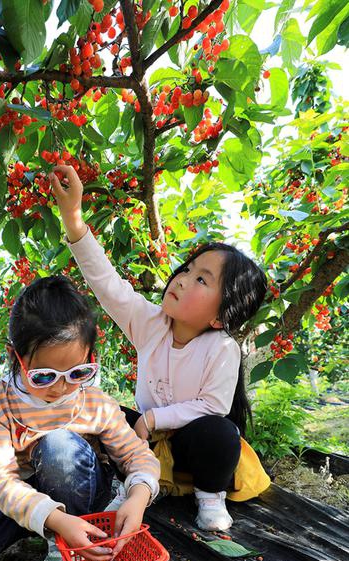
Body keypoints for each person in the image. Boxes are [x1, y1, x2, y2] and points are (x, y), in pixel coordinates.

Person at [50, 164, 269, 532]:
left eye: (201, 279)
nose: (181, 279)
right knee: (91, 411)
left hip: (192, 450)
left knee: (220, 434)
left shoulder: (222, 348)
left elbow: (213, 407)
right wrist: (74, 219)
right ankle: (135, 482)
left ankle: (208, 496)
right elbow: (107, 284)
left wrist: (152, 419)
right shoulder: (151, 324)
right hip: (144, 445)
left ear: (220, 317)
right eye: (187, 269)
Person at [0, 275, 161, 561]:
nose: (61, 388)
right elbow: (0, 480)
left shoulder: (95, 402)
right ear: (15, 357)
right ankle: (54, 530)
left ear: (90, 356)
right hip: (32, 497)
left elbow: (136, 454)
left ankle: (64, 547)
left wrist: (138, 495)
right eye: (44, 376)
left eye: (77, 373)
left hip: (85, 491)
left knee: (58, 446)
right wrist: (54, 518)